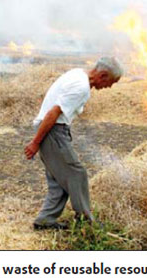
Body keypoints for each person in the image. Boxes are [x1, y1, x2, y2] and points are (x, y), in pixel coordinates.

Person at [24, 57, 124, 230]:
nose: (109, 87)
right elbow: (53, 113)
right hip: (52, 131)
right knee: (77, 174)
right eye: (111, 82)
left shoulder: (77, 73)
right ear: (103, 75)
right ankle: (86, 222)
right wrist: (35, 142)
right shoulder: (81, 87)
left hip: (53, 130)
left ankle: (45, 221)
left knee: (59, 180)